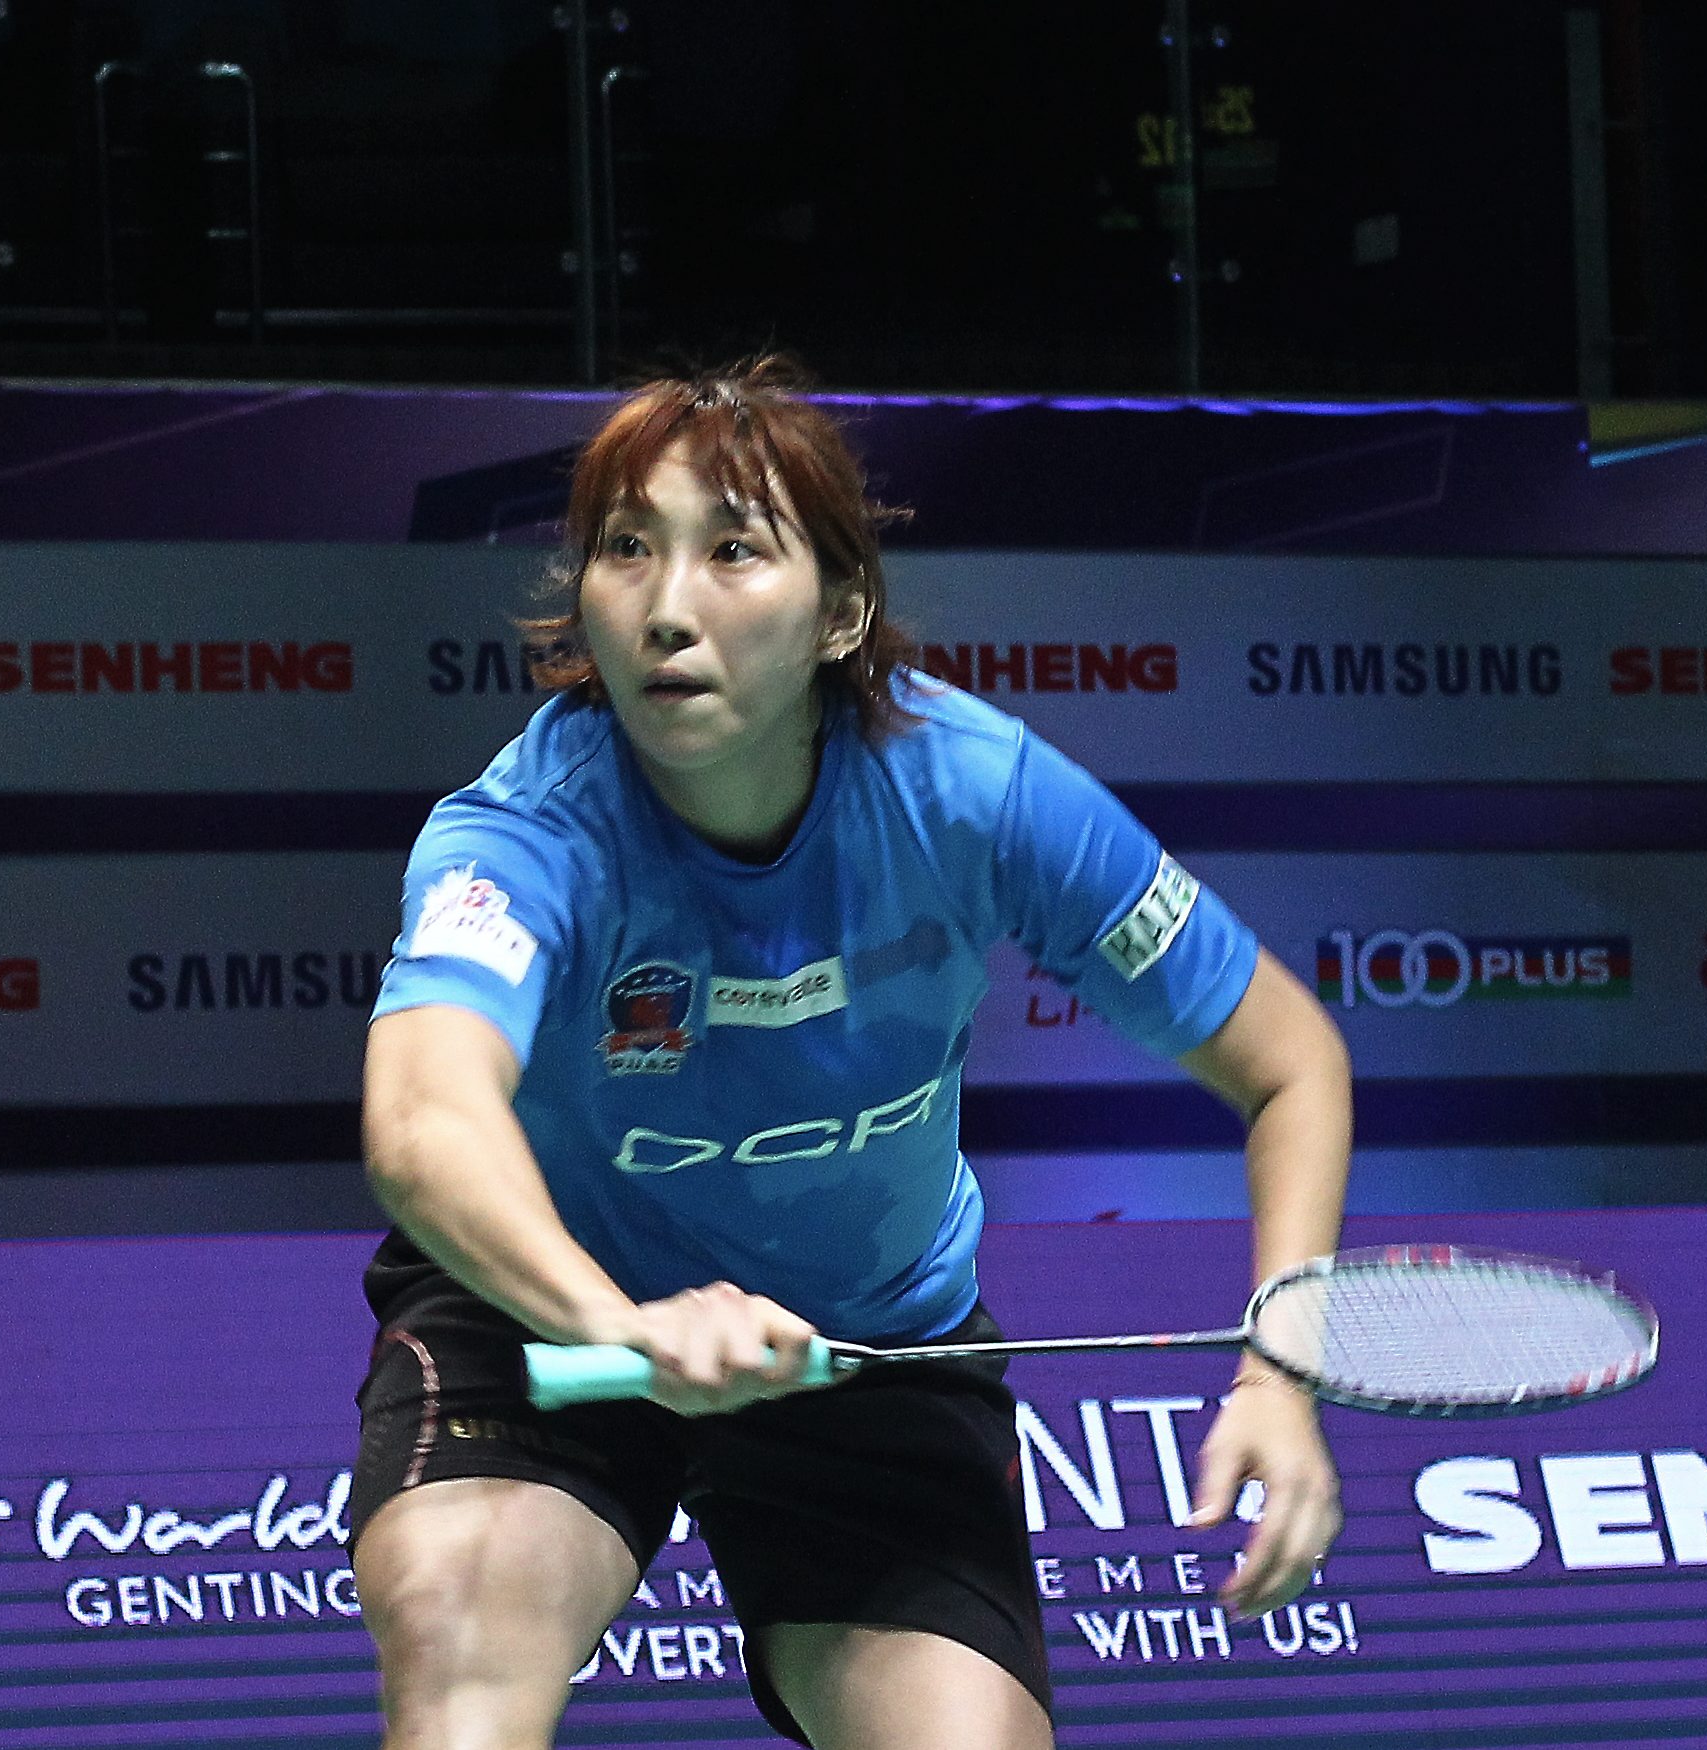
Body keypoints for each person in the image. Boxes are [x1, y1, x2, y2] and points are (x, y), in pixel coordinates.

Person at [349, 357, 1351, 1750]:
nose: (667, 605)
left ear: (841, 610)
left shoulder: (974, 794)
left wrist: (1281, 1369)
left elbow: (1290, 1063)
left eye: (733, 551)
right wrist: (613, 1324)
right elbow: (425, 1118)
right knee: (462, 1628)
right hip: (551, 1308)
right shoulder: (528, 832)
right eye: (627, 547)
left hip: (869, 1343)